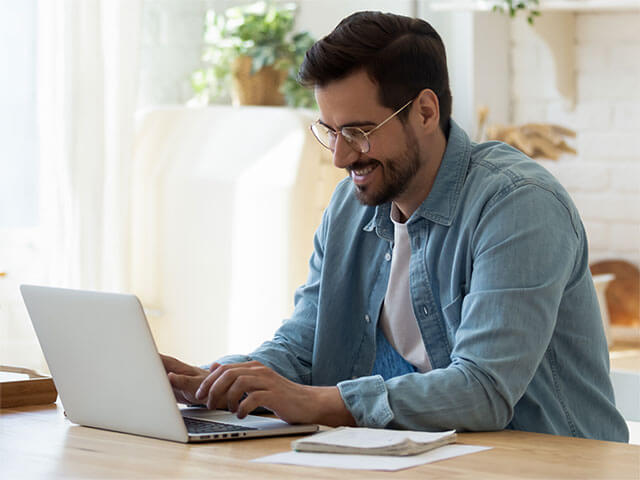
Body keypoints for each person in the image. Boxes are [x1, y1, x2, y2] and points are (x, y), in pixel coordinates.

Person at [162, 11, 628, 442]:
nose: (341, 157)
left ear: (425, 112)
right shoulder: (351, 206)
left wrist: (315, 402)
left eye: (358, 132)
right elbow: (305, 344)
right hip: (425, 460)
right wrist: (214, 380)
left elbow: (484, 389)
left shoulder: (518, 205)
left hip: (549, 464)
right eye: (330, 131)